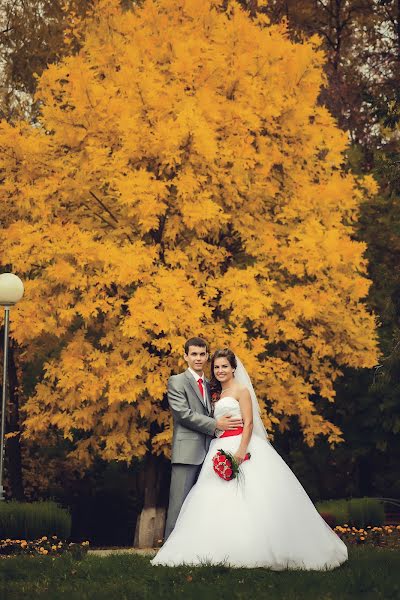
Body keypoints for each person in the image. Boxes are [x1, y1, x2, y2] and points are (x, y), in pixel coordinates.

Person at [152, 348, 348, 570]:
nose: (220, 370)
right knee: (212, 498)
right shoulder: (214, 393)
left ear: (234, 368)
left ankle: (255, 548)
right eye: (216, 367)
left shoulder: (241, 391)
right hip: (218, 447)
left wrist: (240, 453)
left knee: (250, 498)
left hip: (240, 446)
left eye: (225, 366)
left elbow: (249, 423)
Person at [164, 338, 243, 540]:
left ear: (207, 356)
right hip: (187, 453)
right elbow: (183, 414)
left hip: (211, 452)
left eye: (202, 354)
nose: (198, 358)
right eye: (194, 354)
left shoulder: (210, 385)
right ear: (186, 356)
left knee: (201, 507)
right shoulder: (177, 381)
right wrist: (216, 425)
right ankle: (169, 551)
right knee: (179, 506)